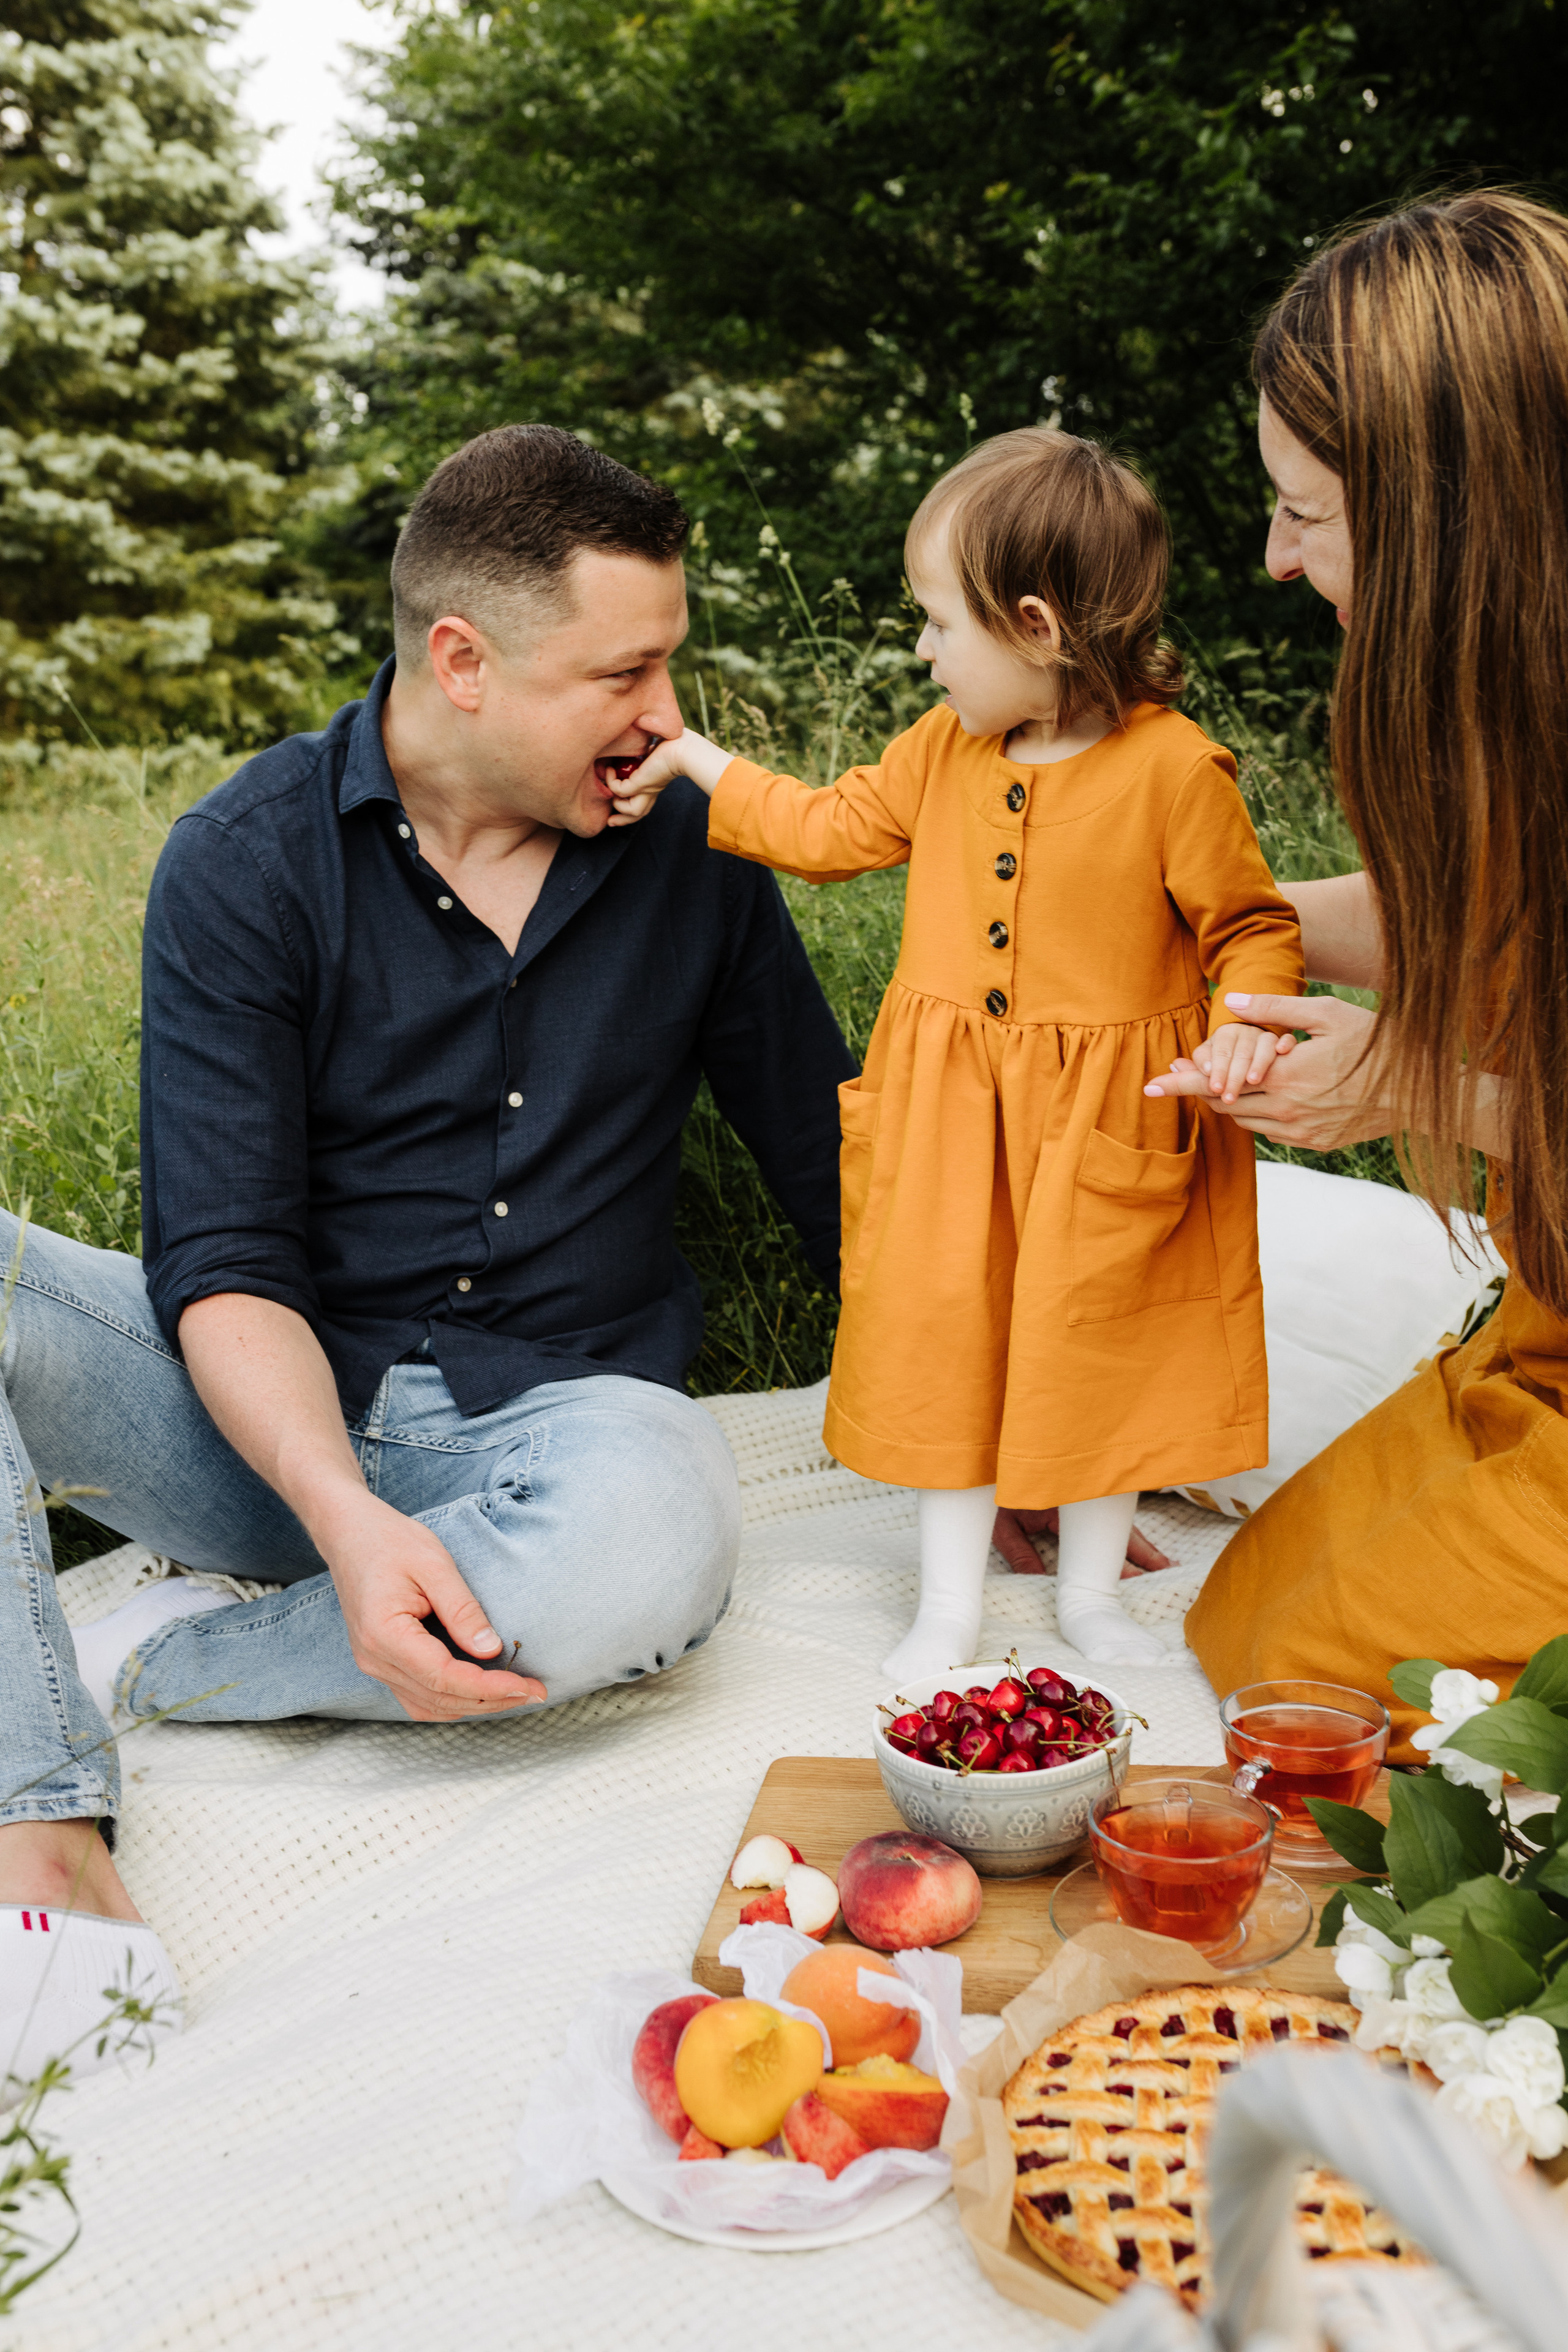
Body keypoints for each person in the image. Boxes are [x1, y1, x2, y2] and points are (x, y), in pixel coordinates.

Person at [0, 424, 853, 2092]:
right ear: (462, 661)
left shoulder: (695, 846)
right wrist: (343, 1517)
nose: (666, 715)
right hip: (261, 1419)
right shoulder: (246, 859)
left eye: (668, 662)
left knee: (655, 1541)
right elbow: (226, 1259)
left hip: (556, 1432)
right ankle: (39, 1817)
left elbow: (829, 1159)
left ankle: (161, 1662)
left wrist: (1004, 1434)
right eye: (623, 673)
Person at [613, 428, 1304, 1679]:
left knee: (1098, 1349)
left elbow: (1249, 928)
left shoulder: (1174, 771)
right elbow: (825, 830)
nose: (924, 652)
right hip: (951, 1120)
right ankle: (946, 1605)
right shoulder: (941, 751)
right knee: (946, 1342)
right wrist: (693, 760)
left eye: (939, 624)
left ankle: (1090, 1598)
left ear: (1035, 627)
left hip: (1106, 1129)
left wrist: (1244, 1031)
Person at [1145, 192, 1568, 1754]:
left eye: (1302, 511)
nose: (1272, 557)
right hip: (1545, 1319)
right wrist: (1195, 900)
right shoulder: (1512, 694)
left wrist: (1411, 1087)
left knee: (1331, 1706)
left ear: (1448, 504)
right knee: (1257, 1607)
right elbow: (1487, 913)